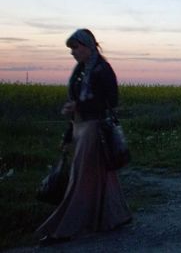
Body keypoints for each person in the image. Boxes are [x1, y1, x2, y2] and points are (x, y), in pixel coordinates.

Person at [37, 29, 132, 246]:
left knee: (81, 179)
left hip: (94, 128)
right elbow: (76, 103)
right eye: (71, 49)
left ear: (88, 46)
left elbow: (111, 101)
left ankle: (64, 228)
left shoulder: (102, 70)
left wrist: (79, 106)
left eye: (76, 48)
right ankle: (116, 216)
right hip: (80, 127)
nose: (72, 53)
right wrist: (68, 133)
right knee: (102, 176)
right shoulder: (81, 70)